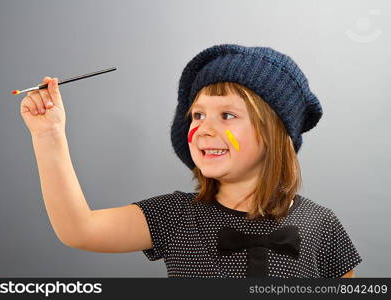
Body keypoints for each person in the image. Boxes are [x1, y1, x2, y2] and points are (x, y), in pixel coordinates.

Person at [20, 44, 362, 278]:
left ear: (274, 133)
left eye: (227, 115)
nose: (203, 129)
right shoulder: (173, 216)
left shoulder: (322, 224)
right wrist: (49, 136)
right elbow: (80, 229)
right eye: (197, 115)